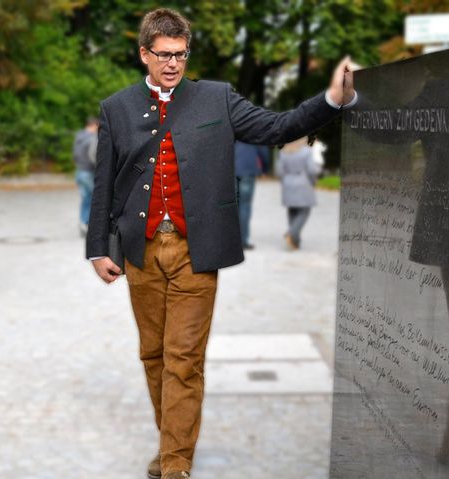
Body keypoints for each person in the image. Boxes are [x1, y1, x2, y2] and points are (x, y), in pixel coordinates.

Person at [85, 9, 356, 479]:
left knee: (184, 359)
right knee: (154, 355)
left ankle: (174, 464)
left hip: (196, 251)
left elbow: (276, 128)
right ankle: (174, 441)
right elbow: (104, 183)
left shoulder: (217, 98)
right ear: (144, 54)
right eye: (164, 54)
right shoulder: (117, 108)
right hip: (140, 251)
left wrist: (332, 99)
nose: (173, 63)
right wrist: (97, 248)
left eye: (181, 54)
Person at [277, 137, 321, 250]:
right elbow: (311, 170)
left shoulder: (283, 152)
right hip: (303, 182)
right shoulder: (306, 152)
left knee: (292, 210)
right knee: (304, 211)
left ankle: (295, 242)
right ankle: (292, 233)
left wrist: (285, 181)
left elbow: (280, 171)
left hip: (288, 183)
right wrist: (313, 181)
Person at [234, 141, 271, 250]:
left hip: (232, 169)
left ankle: (233, 241)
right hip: (248, 171)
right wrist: (265, 169)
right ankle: (243, 241)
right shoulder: (252, 127)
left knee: (233, 205)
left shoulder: (232, 127)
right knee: (245, 206)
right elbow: (263, 151)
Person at [73, 117, 99, 237]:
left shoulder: (79, 136)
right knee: (93, 199)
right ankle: (89, 224)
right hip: (89, 172)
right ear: (94, 125)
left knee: (85, 198)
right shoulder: (92, 138)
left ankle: (83, 222)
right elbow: (93, 154)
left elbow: (75, 155)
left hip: (79, 171)